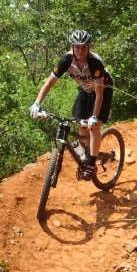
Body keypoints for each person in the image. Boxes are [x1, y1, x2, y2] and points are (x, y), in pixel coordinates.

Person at [29, 29, 114, 179]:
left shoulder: (95, 63)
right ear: (72, 47)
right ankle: (87, 152)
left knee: (93, 125)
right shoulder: (66, 60)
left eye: (84, 47)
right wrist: (37, 103)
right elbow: (49, 83)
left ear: (89, 48)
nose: (80, 51)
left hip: (103, 90)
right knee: (81, 124)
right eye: (77, 47)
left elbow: (99, 94)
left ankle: (92, 163)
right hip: (84, 89)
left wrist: (94, 116)